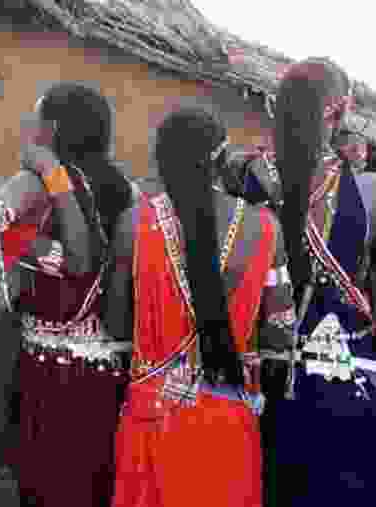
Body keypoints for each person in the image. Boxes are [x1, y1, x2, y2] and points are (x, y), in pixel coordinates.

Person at [104, 107, 295, 507]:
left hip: (153, 417)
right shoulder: (265, 227)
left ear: (160, 158)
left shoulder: (133, 223)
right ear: (223, 158)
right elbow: (279, 331)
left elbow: (117, 327)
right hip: (229, 418)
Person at [0, 83, 136, 507]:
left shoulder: (35, 182)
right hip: (108, 371)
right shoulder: (127, 190)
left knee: (44, 485)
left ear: (53, 128)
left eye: (35, 119)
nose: (29, 128)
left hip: (47, 370)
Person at [263, 57, 376, 506]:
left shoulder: (248, 172)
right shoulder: (361, 190)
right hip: (340, 360)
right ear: (338, 110)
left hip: (258, 354)